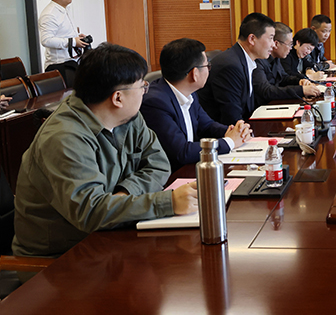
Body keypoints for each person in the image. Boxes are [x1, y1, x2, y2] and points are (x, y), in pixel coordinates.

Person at [13, 43, 198, 259]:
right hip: (60, 259)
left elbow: (158, 163)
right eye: (142, 86)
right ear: (118, 98)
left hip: (110, 239)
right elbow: (91, 213)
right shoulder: (64, 138)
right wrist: (168, 203)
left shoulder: (129, 117)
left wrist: (124, 194)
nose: (144, 92)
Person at [140, 38, 252, 172]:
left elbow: (207, 126)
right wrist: (230, 142)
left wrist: (234, 131)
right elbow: (181, 152)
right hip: (173, 175)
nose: (209, 70)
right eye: (207, 66)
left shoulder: (190, 92)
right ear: (195, 73)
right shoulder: (155, 103)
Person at [198, 12, 276, 124]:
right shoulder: (230, 66)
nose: (273, 44)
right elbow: (231, 117)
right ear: (252, 39)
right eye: (271, 38)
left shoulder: (244, 60)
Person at [252, 22, 322, 105]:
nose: (291, 48)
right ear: (276, 44)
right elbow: (266, 91)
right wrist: (301, 90)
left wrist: (299, 81)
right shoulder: (259, 60)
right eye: (289, 44)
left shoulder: (276, 58)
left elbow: (283, 78)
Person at [38, 0, 88, 87]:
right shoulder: (49, 14)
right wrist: (73, 41)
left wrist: (77, 38)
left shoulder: (65, 9)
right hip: (59, 66)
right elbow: (46, 40)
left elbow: (63, 34)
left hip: (71, 62)